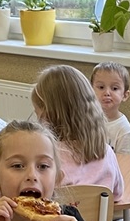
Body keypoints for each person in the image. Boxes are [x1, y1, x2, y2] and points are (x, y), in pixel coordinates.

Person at [31, 64, 124, 201]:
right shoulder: (106, 152)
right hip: (98, 216)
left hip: (55, 215)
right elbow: (117, 195)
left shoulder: (46, 158)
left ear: (47, 115)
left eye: (37, 113)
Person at [91, 61, 130, 156]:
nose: (107, 93)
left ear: (125, 95)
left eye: (114, 88)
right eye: (101, 87)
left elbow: (126, 162)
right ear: (91, 91)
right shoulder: (84, 120)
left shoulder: (124, 130)